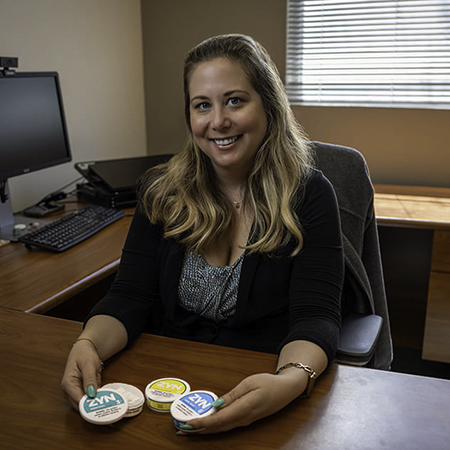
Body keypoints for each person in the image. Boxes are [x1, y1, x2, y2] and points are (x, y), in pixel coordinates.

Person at [61, 34, 344, 434]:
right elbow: (130, 295)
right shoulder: (161, 192)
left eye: (235, 100)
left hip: (262, 378)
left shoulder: (309, 195)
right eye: (202, 106)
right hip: (169, 383)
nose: (218, 121)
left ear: (268, 105)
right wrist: (86, 344)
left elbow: (315, 315)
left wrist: (291, 381)